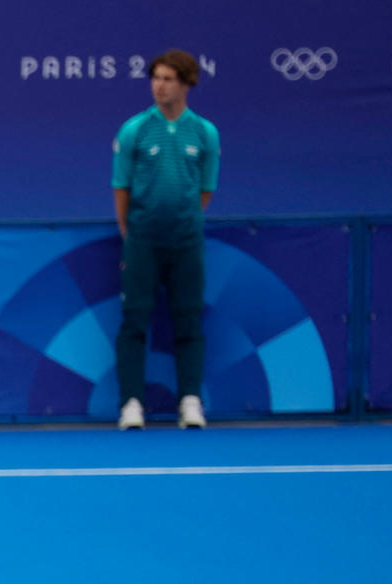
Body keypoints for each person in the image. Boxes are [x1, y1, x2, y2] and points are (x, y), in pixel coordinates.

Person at [111, 49, 219, 431]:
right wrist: (132, 231)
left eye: (168, 79)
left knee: (188, 321)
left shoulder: (205, 133)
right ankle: (131, 404)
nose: (159, 86)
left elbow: (204, 190)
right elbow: (121, 187)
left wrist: (182, 220)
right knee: (134, 322)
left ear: (187, 83)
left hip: (187, 242)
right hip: (142, 241)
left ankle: (190, 400)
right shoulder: (134, 130)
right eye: (155, 78)